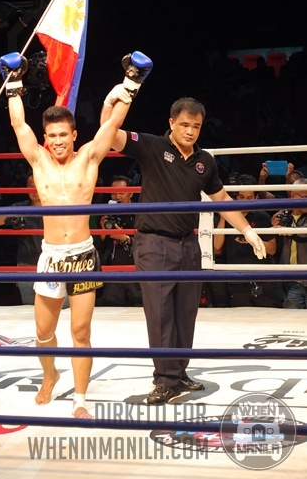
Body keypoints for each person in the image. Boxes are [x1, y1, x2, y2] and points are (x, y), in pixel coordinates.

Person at [1, 50, 152, 418]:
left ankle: (80, 399)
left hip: (83, 255)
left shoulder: (88, 158)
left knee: (81, 332)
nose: (57, 141)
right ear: (45, 138)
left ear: (74, 135)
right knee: (43, 332)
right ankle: (50, 374)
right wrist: (13, 82)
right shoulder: (38, 160)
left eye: (62, 135)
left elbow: (113, 123)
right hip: (51, 256)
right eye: (51, 135)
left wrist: (132, 81)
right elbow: (19, 124)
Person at [101, 96, 266, 405]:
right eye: (185, 125)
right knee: (160, 313)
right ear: (172, 123)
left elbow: (221, 199)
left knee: (186, 312)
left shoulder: (205, 161)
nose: (190, 131)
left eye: (196, 126)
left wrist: (247, 229)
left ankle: (178, 371)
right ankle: (165, 380)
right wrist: (112, 102)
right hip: (154, 243)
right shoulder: (151, 146)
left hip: (188, 244)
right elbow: (109, 133)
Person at [214, 174, 282, 307]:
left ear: (256, 198)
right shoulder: (225, 219)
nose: (244, 201)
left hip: (263, 281)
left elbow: (272, 249)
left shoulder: (262, 216)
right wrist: (224, 215)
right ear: (235, 197)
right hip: (237, 282)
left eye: (249, 198)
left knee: (269, 316)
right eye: (241, 197)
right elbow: (217, 247)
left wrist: (253, 241)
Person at [0, 172, 46, 305]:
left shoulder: (57, 207)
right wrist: (12, 216)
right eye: (31, 187)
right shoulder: (21, 208)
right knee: (29, 308)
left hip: (53, 265)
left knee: (57, 309)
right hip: (26, 264)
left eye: (38, 186)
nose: (35, 190)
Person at [95, 175, 141, 306]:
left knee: (138, 309)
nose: (117, 197)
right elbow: (98, 249)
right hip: (112, 274)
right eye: (113, 193)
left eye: (121, 193)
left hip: (135, 272)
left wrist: (125, 238)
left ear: (131, 193)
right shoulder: (104, 213)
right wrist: (102, 234)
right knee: (110, 309)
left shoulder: (140, 213)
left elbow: (148, 244)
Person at [272, 178, 307, 308]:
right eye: (304, 197)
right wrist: (275, 225)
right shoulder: (284, 215)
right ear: (292, 195)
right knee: (291, 317)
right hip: (292, 280)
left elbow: (302, 235)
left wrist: (287, 231)